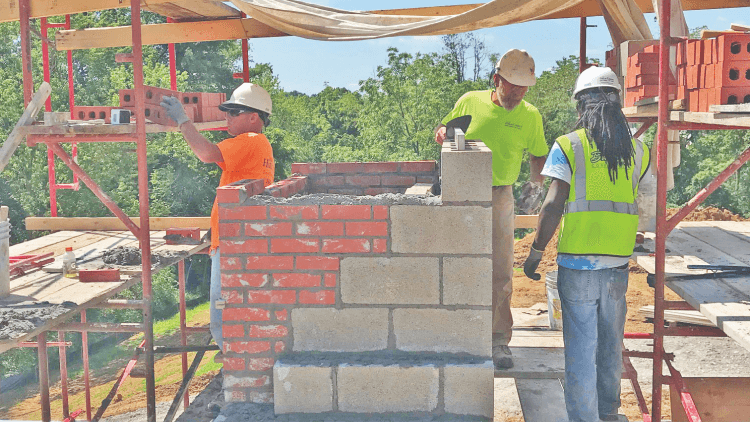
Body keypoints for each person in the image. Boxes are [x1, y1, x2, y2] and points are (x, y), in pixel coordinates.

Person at [522, 66, 650, 422]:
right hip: (618, 267)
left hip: (578, 266)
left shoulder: (569, 145)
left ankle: (584, 419)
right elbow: (650, 205)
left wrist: (535, 252)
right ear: (617, 102)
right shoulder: (639, 151)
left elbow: (551, 204)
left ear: (581, 104)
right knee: (610, 347)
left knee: (580, 349)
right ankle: (609, 414)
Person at [435, 48, 548, 370]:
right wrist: (443, 133)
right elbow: (444, 132)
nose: (518, 92)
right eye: (512, 85)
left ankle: (498, 340)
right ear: (497, 79)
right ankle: (457, 334)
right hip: (461, 194)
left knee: (500, 271)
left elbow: (538, 153)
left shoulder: (530, 115)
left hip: (500, 194)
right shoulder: (471, 101)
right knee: (456, 263)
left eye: (524, 87)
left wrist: (535, 184)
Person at [161, 83, 275, 351]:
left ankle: (239, 378)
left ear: (253, 117)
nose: (227, 117)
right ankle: (240, 373)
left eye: (233, 112)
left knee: (222, 321)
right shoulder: (257, 146)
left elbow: (206, 153)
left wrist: (182, 119)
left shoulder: (251, 140)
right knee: (233, 317)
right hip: (238, 240)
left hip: (232, 245)